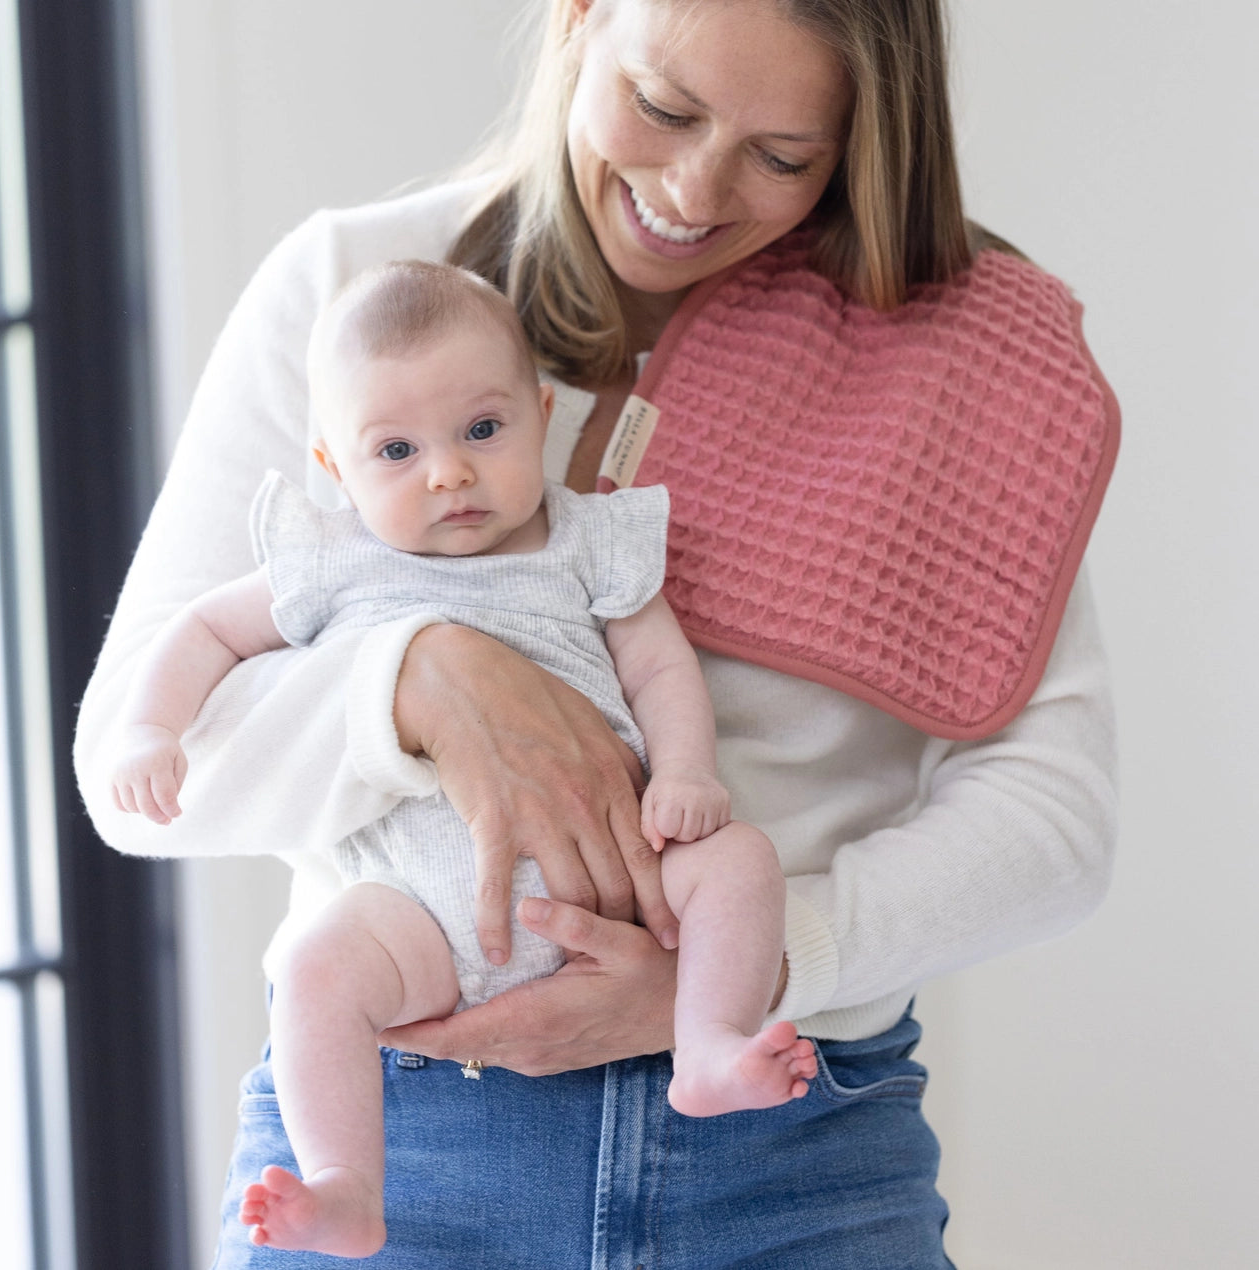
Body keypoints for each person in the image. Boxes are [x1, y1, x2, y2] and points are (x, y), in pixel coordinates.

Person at [74, 1, 1119, 1266]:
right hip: (403, 1140)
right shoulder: (350, 298)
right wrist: (412, 684)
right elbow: (136, 778)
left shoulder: (957, 361)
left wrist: (758, 967)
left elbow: (1053, 821)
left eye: (783, 155)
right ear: (577, 18)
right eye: (665, 107)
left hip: (791, 1140)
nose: (689, 188)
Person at [107, 259, 817, 1256]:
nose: (448, 472)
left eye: (482, 431)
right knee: (317, 969)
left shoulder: (583, 543)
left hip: (623, 890)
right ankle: (348, 1184)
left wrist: (689, 770)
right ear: (335, 464)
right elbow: (200, 633)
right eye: (395, 450)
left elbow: (659, 667)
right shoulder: (337, 560)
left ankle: (705, 1041)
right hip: (417, 917)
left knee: (738, 863)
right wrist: (150, 729)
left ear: (540, 413)